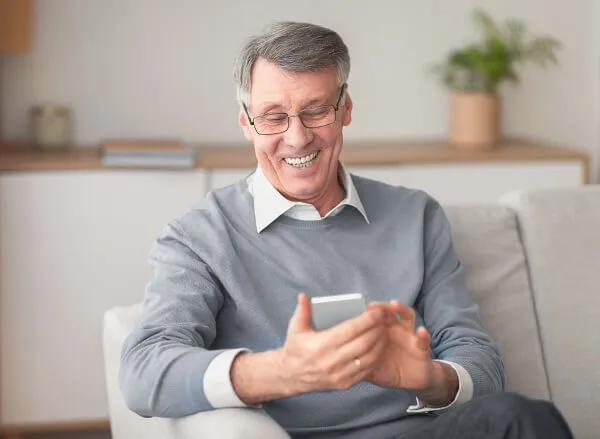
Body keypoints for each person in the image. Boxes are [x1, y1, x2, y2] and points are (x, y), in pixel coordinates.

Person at [119, 21, 574, 439]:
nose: (297, 138)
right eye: (274, 117)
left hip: (421, 432)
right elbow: (142, 372)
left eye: (316, 111)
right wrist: (282, 371)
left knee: (524, 416)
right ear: (246, 122)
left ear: (345, 109)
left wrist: (429, 378)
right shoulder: (198, 237)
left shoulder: (415, 216)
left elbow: (481, 360)